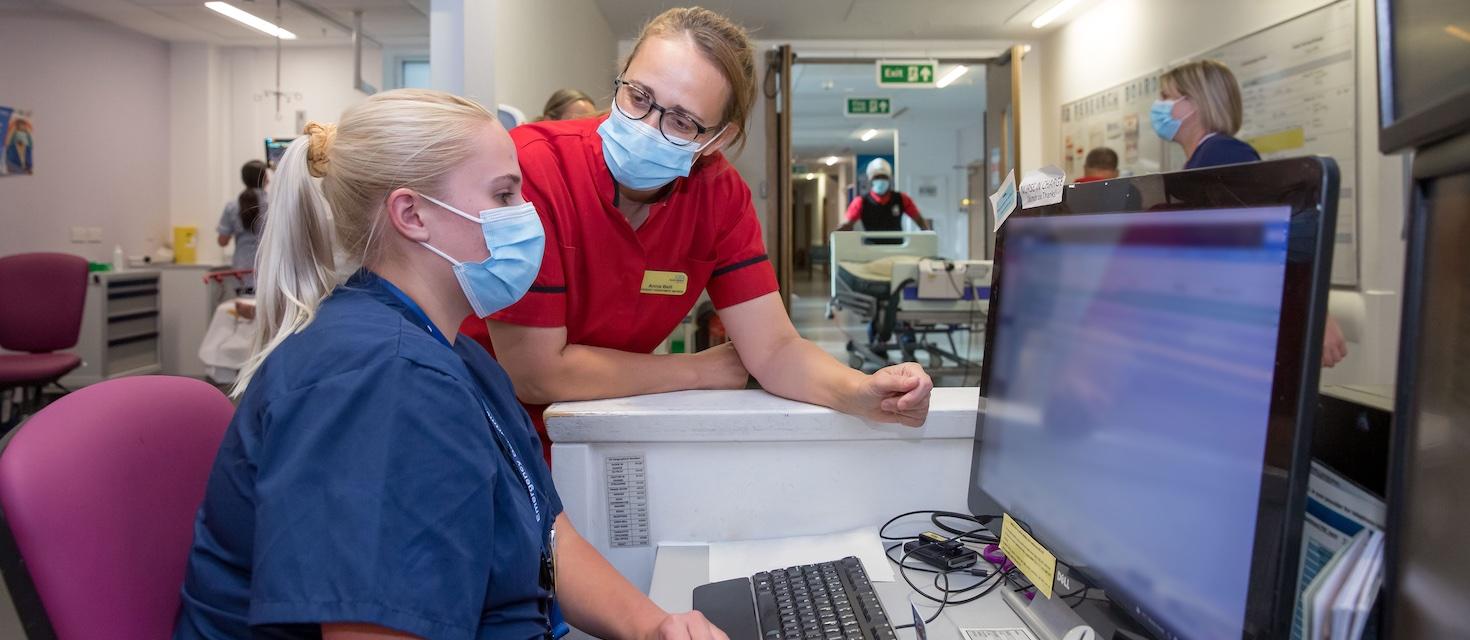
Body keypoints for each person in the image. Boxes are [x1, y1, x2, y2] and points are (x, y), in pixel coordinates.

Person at [174, 89, 726, 640]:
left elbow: (549, 539)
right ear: (412, 214)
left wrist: (656, 627)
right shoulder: (382, 381)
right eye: (505, 194)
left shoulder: (456, 353)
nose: (528, 217)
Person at [463, 7, 933, 462]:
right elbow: (535, 373)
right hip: (485, 432)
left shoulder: (719, 196)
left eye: (682, 121)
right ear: (621, 76)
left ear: (717, 139)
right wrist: (696, 369)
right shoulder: (534, 168)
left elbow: (773, 348)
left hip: (600, 428)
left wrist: (860, 392)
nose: (648, 128)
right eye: (638, 97)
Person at [1154, 60, 1347, 367]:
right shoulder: (1203, 160)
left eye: (1166, 97)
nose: (1158, 107)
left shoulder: (1225, 155)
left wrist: (1316, 313)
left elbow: (1272, 239)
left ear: (1194, 103)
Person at [1153, 60, 1262, 170]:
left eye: (1166, 96)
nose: (1159, 103)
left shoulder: (1224, 152)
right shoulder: (1207, 154)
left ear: (1197, 102)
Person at [836, 158, 931, 232]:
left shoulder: (902, 199)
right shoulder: (860, 202)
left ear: (889, 179)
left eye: (884, 177)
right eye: (877, 177)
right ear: (870, 180)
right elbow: (847, 224)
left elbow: (919, 220)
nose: (880, 180)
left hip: (898, 247)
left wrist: (928, 234)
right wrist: (837, 236)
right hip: (870, 248)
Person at [217, 160, 269, 279]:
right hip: (267, 270)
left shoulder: (232, 206)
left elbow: (222, 241)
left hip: (241, 272)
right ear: (264, 179)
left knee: (243, 298)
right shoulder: (274, 204)